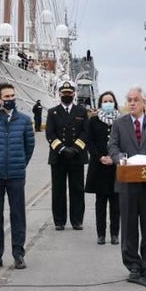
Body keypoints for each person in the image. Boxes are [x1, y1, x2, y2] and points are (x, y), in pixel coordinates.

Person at [108, 86, 146, 286]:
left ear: (144, 102)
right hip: (127, 182)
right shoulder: (119, 124)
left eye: (136, 99)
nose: (132, 103)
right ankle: (133, 265)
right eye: (129, 100)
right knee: (129, 226)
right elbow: (113, 146)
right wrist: (119, 159)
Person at [0, 82, 35, 270]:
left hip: (16, 175)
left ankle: (18, 254)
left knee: (18, 215)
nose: (10, 100)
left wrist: (20, 164)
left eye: (12, 96)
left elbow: (29, 146)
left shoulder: (25, 121)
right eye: (7, 97)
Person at [46, 79, 89, 230]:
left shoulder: (82, 112)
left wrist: (76, 149)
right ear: (59, 94)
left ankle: (77, 220)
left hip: (76, 157)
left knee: (77, 189)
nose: (66, 95)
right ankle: (59, 221)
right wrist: (62, 149)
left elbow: (85, 132)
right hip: (58, 157)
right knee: (58, 190)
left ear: (74, 94)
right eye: (64, 93)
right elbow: (50, 134)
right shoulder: (52, 112)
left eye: (69, 93)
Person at [84, 90, 121, 245]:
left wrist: (114, 158)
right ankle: (101, 234)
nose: (107, 104)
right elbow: (89, 141)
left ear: (115, 103)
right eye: (105, 101)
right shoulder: (93, 121)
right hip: (98, 166)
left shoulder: (121, 121)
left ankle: (114, 234)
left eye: (110, 101)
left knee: (116, 202)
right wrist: (99, 156)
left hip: (115, 167)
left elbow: (124, 141)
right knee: (100, 202)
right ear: (100, 104)